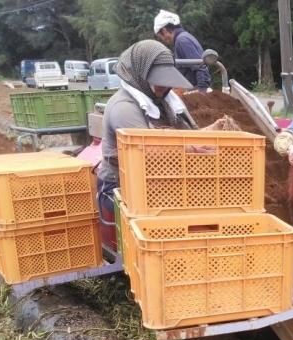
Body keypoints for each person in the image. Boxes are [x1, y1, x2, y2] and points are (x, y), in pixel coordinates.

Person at [96, 40, 224, 214]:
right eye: (158, 80)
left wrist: (210, 132)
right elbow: (146, 154)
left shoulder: (168, 102)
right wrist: (191, 149)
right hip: (119, 186)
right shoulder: (125, 107)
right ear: (140, 74)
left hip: (160, 180)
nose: (164, 86)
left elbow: (190, 136)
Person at [153, 9, 211, 94]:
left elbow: (199, 66)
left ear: (164, 30)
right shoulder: (185, 37)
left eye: (160, 36)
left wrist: (202, 92)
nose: (162, 39)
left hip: (194, 91)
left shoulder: (182, 40)